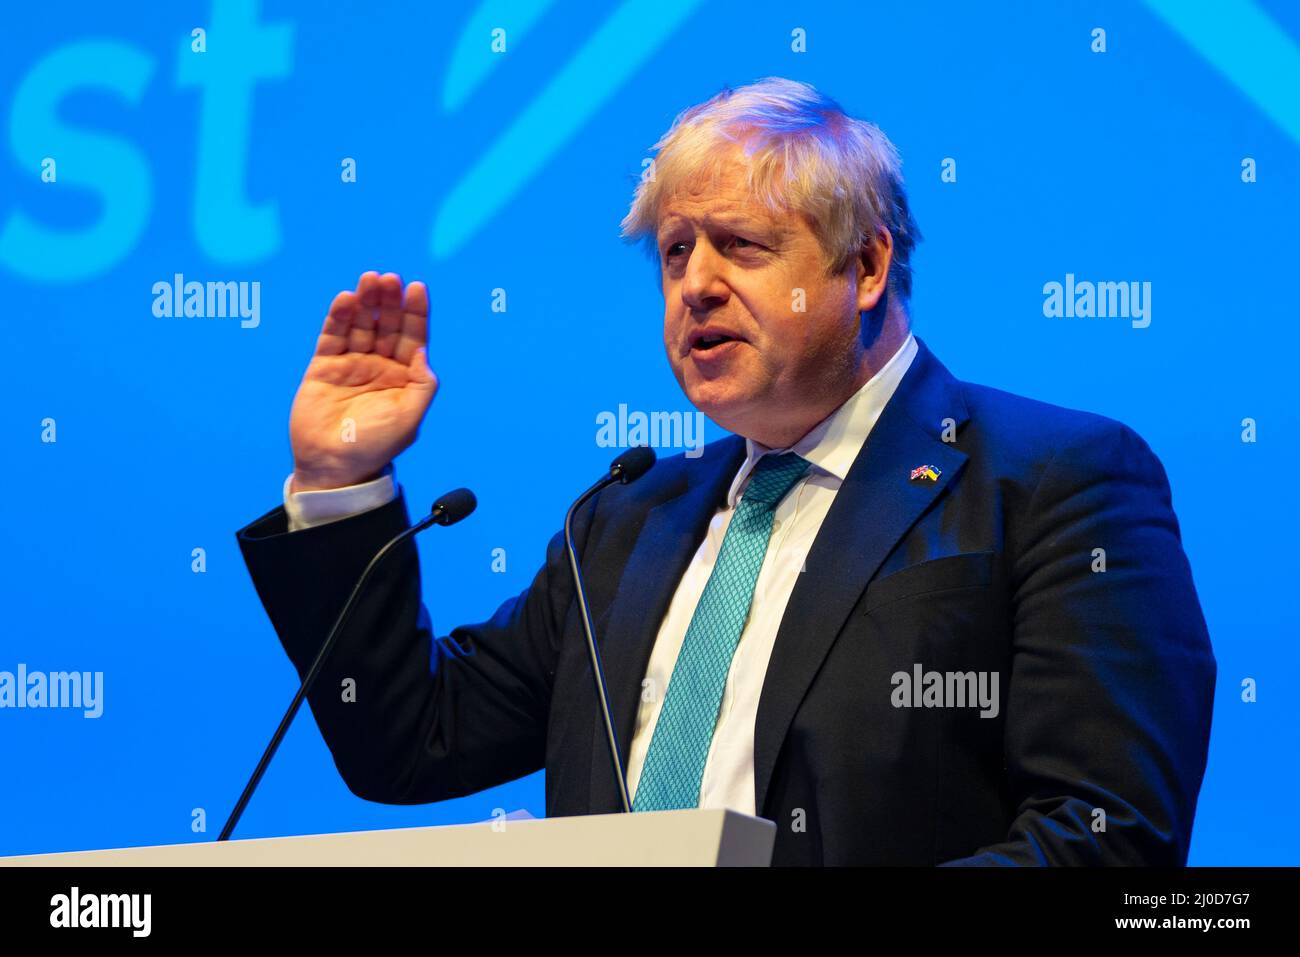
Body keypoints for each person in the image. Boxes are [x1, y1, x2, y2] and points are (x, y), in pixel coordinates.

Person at [236, 77, 1216, 865]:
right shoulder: (623, 521)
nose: (696, 283)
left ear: (865, 268)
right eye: (673, 252)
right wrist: (339, 480)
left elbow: (1106, 834)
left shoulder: (1053, 480)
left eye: (741, 245)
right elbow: (409, 740)